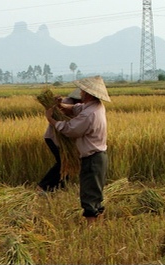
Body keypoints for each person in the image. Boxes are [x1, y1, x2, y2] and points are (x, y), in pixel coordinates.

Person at [45, 75, 110, 225]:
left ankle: (91, 227)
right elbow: (75, 108)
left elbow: (70, 130)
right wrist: (60, 105)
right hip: (98, 156)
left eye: (82, 91)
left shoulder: (89, 114)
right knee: (95, 191)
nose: (80, 93)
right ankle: (98, 222)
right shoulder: (94, 106)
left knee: (89, 191)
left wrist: (51, 120)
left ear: (87, 94)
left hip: (92, 158)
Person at [37, 89, 82, 192]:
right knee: (63, 163)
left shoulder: (81, 106)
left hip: (66, 140)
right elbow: (66, 124)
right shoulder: (66, 103)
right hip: (54, 139)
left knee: (69, 162)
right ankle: (43, 186)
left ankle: (58, 187)